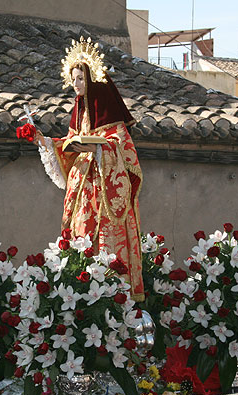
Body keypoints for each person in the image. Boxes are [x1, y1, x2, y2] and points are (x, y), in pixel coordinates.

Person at [32, 37, 144, 301]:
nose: (75, 84)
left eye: (80, 78)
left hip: (104, 189)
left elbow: (125, 153)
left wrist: (100, 149)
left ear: (92, 79)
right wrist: (44, 141)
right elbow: (69, 145)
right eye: (73, 79)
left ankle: (112, 292)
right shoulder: (79, 111)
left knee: (105, 239)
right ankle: (79, 288)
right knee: (80, 235)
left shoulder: (110, 117)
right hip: (83, 187)